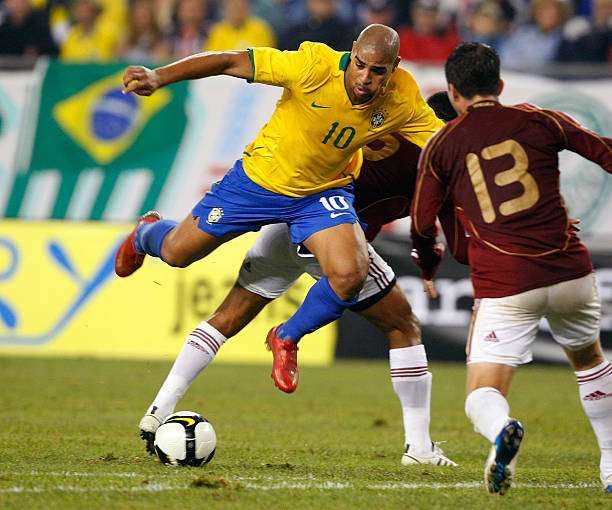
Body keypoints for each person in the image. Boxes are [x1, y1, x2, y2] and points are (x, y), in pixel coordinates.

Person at [137, 92, 462, 467]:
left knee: (226, 318)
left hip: (295, 216)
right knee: (403, 326)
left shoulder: (379, 130)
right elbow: (427, 223)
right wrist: (429, 261)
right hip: (335, 236)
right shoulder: (433, 160)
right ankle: (419, 448)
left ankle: (159, 408)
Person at [116, 24, 444, 395]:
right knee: (177, 253)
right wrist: (159, 76)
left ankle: (286, 337)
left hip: (320, 194)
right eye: (360, 65)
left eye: (378, 71)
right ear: (352, 52)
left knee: (350, 274)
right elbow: (227, 60)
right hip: (259, 181)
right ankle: (146, 233)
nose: (365, 77)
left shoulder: (403, 97)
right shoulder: (312, 66)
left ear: (394, 67)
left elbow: (444, 144)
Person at [410, 42, 612, 494]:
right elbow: (603, 152)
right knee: (590, 361)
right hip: (570, 273)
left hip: (506, 286)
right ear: (499, 85)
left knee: (483, 394)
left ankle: (502, 429)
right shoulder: (540, 119)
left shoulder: (443, 145)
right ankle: (611, 469)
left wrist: (427, 265)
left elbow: (422, 224)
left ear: (452, 92)